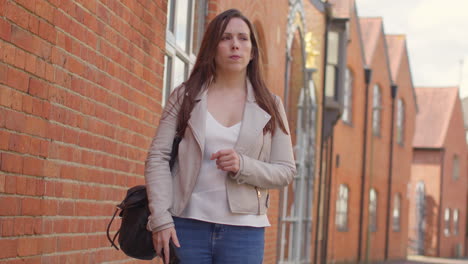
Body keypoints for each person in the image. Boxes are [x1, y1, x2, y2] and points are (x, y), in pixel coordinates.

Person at [144, 8, 296, 264]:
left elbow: (285, 171)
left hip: (245, 233)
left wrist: (243, 165)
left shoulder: (270, 104)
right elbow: (157, 157)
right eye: (225, 38)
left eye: (243, 38)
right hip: (186, 227)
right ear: (212, 47)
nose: (235, 45)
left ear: (253, 50)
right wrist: (160, 218)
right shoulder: (185, 96)